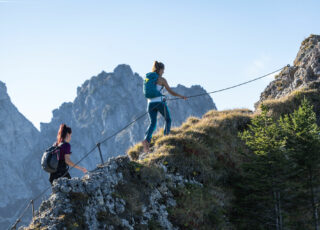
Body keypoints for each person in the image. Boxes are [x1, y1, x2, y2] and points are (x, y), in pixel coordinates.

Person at [142, 61, 187, 153]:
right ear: (160, 69)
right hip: (159, 102)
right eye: (163, 70)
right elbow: (170, 91)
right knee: (168, 119)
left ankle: (146, 140)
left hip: (150, 104)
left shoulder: (149, 78)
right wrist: (181, 96)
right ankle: (166, 137)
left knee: (152, 123)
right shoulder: (161, 79)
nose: (164, 72)